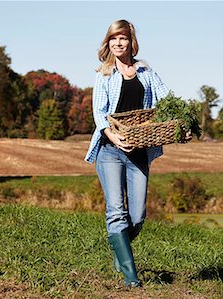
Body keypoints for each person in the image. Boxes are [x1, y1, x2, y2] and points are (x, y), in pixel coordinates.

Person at [84, 19, 169, 287]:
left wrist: (181, 122)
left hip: (139, 152)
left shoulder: (145, 71)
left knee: (138, 216)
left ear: (131, 41)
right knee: (116, 212)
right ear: (107, 43)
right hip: (110, 150)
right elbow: (99, 114)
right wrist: (113, 136)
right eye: (113, 39)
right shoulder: (104, 74)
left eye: (123, 38)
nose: (118, 43)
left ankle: (121, 252)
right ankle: (131, 277)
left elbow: (166, 98)